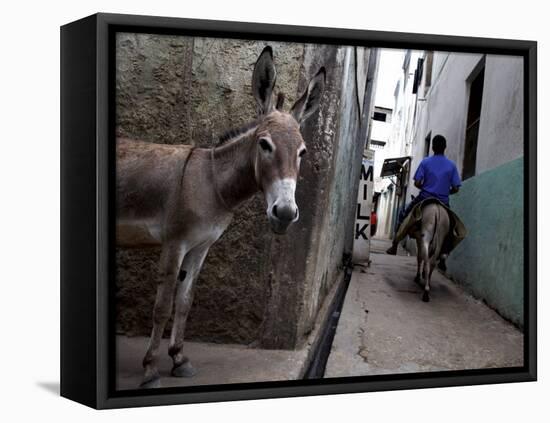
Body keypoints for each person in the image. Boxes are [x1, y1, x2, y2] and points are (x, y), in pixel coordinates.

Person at [386, 134, 461, 255]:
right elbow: (456, 188)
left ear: (432, 147)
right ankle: (444, 255)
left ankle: (394, 244)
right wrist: (446, 191)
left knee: (404, 214)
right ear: (445, 147)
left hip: (425, 198)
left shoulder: (425, 162)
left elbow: (417, 183)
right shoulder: (451, 165)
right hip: (443, 201)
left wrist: (426, 187)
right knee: (452, 226)